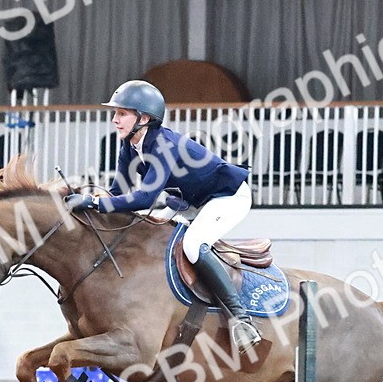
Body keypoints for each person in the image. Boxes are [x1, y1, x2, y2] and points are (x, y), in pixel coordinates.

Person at [64, 80, 262, 353]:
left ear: (143, 118)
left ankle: (241, 320)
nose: (115, 120)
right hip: (187, 201)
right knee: (148, 229)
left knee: (193, 245)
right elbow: (117, 193)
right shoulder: (129, 146)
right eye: (115, 114)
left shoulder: (162, 144)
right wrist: (88, 205)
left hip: (227, 197)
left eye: (122, 114)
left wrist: (96, 203)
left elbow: (144, 198)